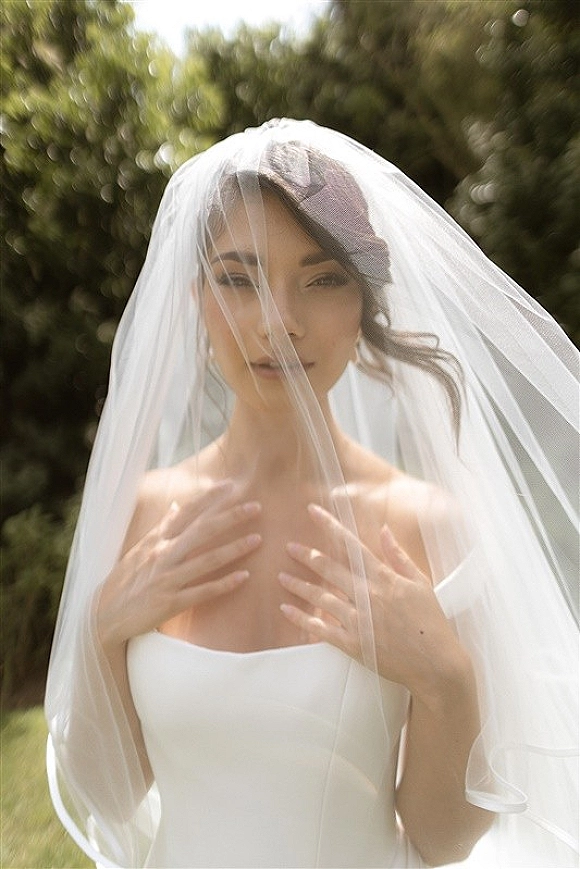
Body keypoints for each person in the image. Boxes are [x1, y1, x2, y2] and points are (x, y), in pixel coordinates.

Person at [45, 119, 578, 869]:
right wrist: (105, 634)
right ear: (196, 299)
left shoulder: (428, 524)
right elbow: (112, 793)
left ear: (362, 304)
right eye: (238, 278)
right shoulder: (143, 513)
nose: (278, 322)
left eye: (323, 278)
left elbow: (439, 838)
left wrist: (446, 679)